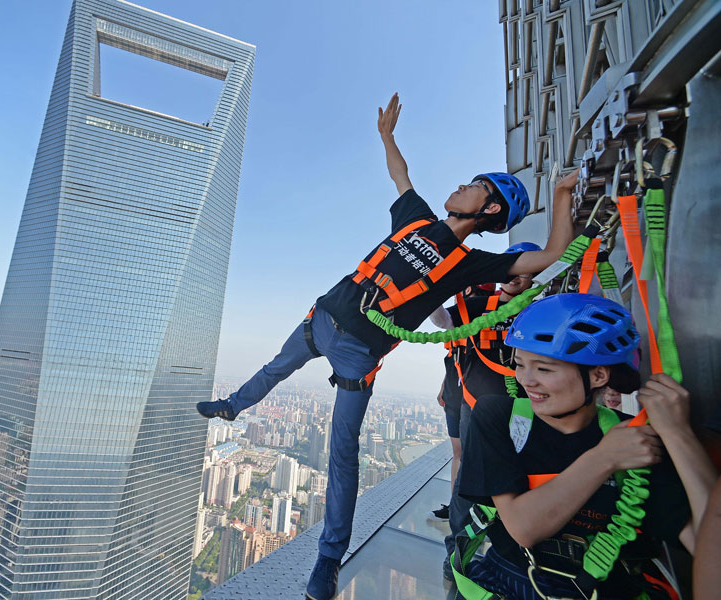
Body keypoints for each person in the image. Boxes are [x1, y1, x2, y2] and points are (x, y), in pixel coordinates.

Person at [197, 93, 577, 600]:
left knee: (342, 456)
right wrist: (386, 136)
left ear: (488, 208)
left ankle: (327, 562)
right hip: (323, 316)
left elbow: (551, 254)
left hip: (359, 353)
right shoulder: (416, 218)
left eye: (474, 187)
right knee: (273, 369)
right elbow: (402, 175)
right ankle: (231, 406)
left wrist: (564, 196)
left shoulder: (469, 264)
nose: (460, 185)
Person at [457, 293, 718, 599]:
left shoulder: (636, 440)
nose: (527, 381)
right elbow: (523, 528)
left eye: (544, 369)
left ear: (597, 375)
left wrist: (678, 435)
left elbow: (708, 546)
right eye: (520, 365)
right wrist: (604, 458)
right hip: (511, 581)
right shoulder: (500, 417)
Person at [430, 242, 541, 578]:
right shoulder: (479, 306)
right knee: (468, 483)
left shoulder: (536, 313)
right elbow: (445, 321)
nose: (516, 278)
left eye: (526, 274)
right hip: (476, 408)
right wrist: (433, 289)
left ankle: (511, 554)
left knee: (516, 480)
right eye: (511, 271)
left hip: (523, 411)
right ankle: (458, 557)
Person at [429, 282, 497, 522]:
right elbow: (456, 358)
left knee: (461, 455)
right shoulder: (498, 311)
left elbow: (454, 352)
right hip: (466, 392)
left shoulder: (469, 312)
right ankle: (463, 507)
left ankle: (460, 507)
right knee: (469, 455)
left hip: (462, 394)